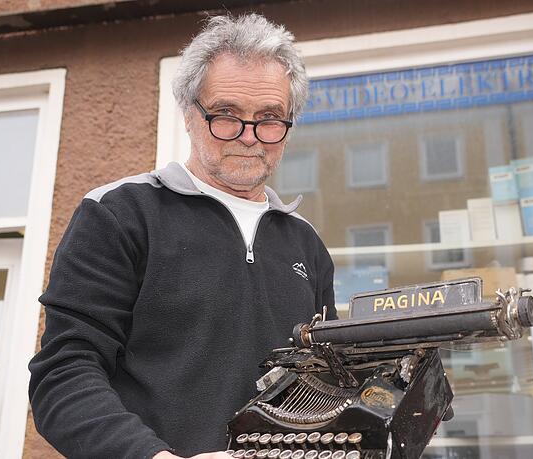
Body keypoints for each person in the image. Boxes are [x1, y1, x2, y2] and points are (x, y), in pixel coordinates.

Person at [28, 14, 336, 459]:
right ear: (190, 114)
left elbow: (323, 381)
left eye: (269, 118)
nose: (250, 137)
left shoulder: (306, 244)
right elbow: (64, 374)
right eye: (226, 115)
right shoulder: (120, 213)